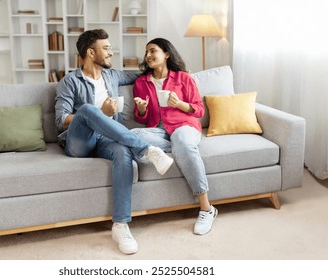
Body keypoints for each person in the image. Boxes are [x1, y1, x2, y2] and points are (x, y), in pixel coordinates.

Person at [55, 29, 174, 255]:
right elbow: (61, 121)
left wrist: (166, 66)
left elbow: (142, 74)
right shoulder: (69, 81)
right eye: (106, 48)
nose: (111, 52)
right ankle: (147, 150)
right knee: (89, 110)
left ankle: (120, 225)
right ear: (90, 52)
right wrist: (99, 112)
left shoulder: (113, 76)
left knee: (122, 153)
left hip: (108, 139)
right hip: (80, 142)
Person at [132, 38, 217, 235]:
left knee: (181, 140)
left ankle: (206, 209)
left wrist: (179, 104)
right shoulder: (141, 83)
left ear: (167, 54)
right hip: (158, 131)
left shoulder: (184, 78)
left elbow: (198, 110)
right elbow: (141, 118)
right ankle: (179, 148)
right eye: (146, 53)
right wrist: (142, 110)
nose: (148, 56)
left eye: (153, 51)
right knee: (132, 135)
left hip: (184, 126)